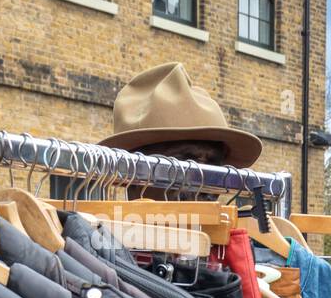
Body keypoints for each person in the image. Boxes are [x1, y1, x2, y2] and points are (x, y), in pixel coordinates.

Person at [99, 62, 262, 197]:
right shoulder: (99, 227)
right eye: (185, 164)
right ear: (132, 173)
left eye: (214, 168)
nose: (204, 186)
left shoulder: (241, 226)